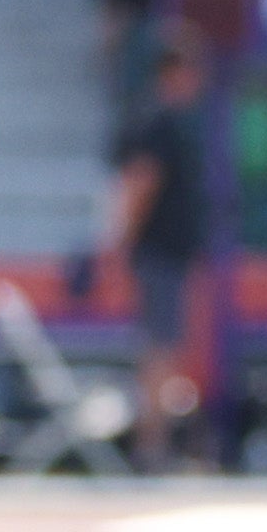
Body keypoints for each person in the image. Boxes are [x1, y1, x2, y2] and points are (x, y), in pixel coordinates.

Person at [100, 24, 215, 469]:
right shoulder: (157, 120)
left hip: (169, 252)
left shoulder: (164, 119)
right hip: (159, 252)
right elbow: (139, 184)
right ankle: (152, 446)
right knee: (160, 351)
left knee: (166, 348)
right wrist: (120, 244)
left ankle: (156, 442)